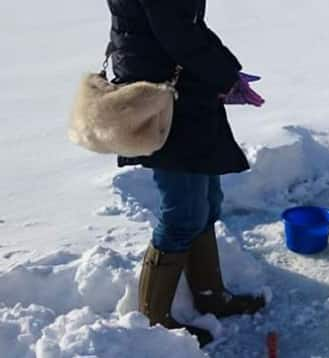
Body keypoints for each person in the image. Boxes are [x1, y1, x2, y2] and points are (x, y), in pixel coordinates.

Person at [106, 0, 267, 346]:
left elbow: (188, 24)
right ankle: (153, 326)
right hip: (164, 101)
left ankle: (210, 295)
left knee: (207, 202)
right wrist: (224, 76)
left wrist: (226, 72)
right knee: (183, 212)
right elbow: (176, 32)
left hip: (185, 92)